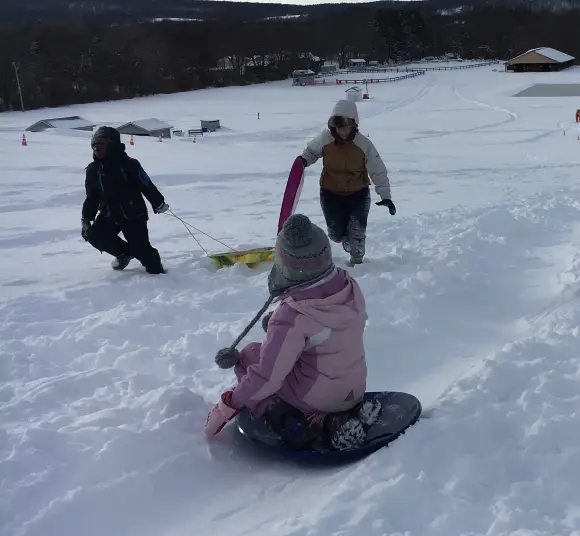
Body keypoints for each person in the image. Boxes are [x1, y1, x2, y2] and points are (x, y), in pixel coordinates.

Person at [204, 213, 381, 451]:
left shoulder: (292, 317)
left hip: (317, 398)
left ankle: (314, 424)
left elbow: (268, 376)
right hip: (354, 387)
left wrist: (230, 402)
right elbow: (326, 331)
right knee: (292, 361)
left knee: (249, 357)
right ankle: (344, 414)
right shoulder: (347, 286)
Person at [298, 99, 395, 265]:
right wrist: (302, 161)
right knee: (335, 234)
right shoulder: (325, 139)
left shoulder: (364, 144)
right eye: (338, 127)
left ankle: (358, 265)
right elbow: (311, 152)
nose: (341, 131)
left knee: (357, 232)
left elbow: (377, 170)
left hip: (358, 193)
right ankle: (346, 241)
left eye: (345, 126)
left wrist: (386, 195)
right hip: (330, 193)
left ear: (353, 124)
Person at [81, 126, 169, 274]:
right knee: (93, 235)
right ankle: (125, 253)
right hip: (109, 215)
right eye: (94, 144)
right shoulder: (93, 170)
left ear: (112, 144)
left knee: (143, 251)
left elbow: (145, 184)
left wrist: (158, 203)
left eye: (100, 143)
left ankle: (159, 274)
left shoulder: (129, 164)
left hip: (133, 215)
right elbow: (92, 197)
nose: (96, 147)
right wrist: (86, 218)